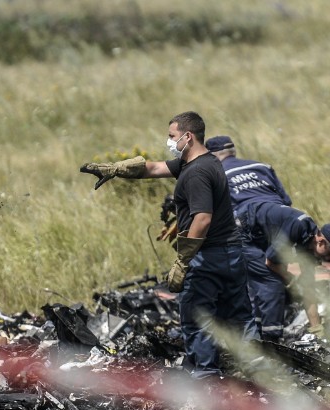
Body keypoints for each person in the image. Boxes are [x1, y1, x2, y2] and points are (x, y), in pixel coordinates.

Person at [79, 111, 254, 378]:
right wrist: (114, 168)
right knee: (238, 316)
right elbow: (155, 167)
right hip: (231, 253)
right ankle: (256, 373)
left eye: (172, 136)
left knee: (198, 320)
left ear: (188, 136)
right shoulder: (201, 162)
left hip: (207, 257)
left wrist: (183, 260)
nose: (169, 141)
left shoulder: (196, 173)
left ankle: (207, 380)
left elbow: (203, 219)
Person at [239, 202, 330, 342]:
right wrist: (290, 279)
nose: (329, 258)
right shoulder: (297, 227)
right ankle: (269, 341)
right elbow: (270, 262)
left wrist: (317, 330)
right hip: (244, 227)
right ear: (321, 242)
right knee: (272, 283)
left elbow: (309, 290)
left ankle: (259, 334)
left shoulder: (310, 246)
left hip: (260, 235)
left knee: (270, 281)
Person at [204, 135, 293, 218]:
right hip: (283, 213)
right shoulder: (263, 166)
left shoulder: (215, 175)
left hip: (250, 220)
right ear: (233, 151)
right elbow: (286, 201)